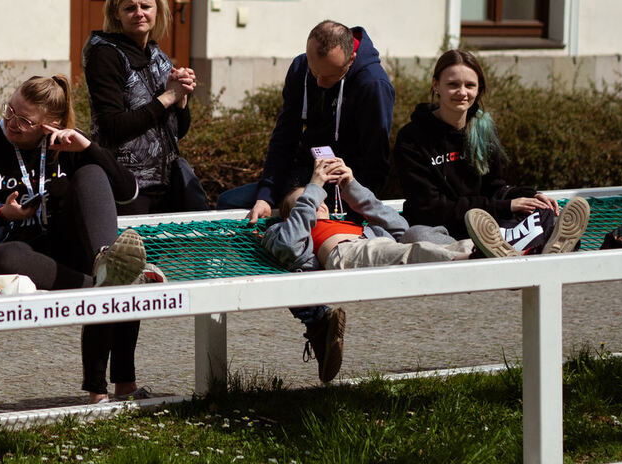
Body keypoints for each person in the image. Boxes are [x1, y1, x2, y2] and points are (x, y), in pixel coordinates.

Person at [0, 74, 162, 403]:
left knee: (91, 174)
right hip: (20, 249)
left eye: (24, 120)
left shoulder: (68, 142)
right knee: (113, 280)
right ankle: (109, 286)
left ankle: (120, 384)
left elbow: (128, 192)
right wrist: (2, 213)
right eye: (10, 110)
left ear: (49, 124)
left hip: (77, 246)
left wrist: (89, 148)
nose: (12, 122)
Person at [261, 156, 474, 384]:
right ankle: (470, 258)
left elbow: (400, 227)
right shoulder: (285, 230)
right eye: (304, 201)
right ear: (290, 216)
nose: (315, 202)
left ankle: (478, 249)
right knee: (409, 253)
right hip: (345, 253)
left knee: (417, 236)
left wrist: (352, 188)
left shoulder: (346, 222)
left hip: (377, 245)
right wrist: (312, 190)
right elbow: (288, 246)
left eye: (317, 198)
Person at [394, 49, 587, 254]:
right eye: (453, 84)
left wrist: (531, 196)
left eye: (470, 85)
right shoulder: (411, 138)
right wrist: (505, 206)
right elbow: (430, 208)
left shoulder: (483, 128)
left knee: (541, 210)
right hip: (440, 227)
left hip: (487, 226)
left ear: (479, 89)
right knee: (417, 236)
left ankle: (512, 246)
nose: (462, 92)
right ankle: (516, 246)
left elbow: (495, 187)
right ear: (436, 85)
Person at [218, 20, 395, 223]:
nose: (319, 82)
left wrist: (356, 216)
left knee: (308, 220)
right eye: (314, 71)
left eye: (328, 76)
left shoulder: (373, 85)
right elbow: (285, 137)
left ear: (351, 60)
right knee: (229, 203)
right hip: (302, 175)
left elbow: (375, 160)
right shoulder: (301, 67)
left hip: (343, 188)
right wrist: (266, 195)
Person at [82, 0, 208, 214]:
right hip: (126, 188)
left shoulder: (157, 56)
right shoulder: (105, 55)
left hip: (166, 185)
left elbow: (178, 132)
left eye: (145, 6)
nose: (139, 13)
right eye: (130, 8)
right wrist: (168, 97)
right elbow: (112, 127)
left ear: (157, 10)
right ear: (116, 14)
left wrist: (180, 98)